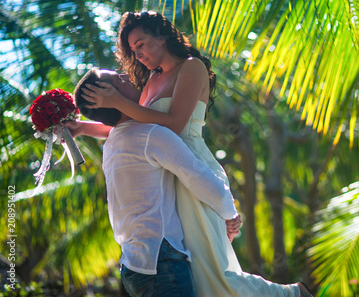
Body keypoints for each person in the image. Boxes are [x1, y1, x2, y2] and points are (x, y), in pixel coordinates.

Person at [81, 11, 313, 297]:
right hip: (167, 175)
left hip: (192, 168)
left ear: (161, 36)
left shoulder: (191, 68)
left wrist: (116, 100)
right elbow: (134, 126)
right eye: (133, 49)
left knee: (214, 274)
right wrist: (81, 127)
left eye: (141, 44)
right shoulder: (153, 79)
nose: (137, 54)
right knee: (200, 281)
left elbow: (175, 123)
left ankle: (293, 294)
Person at [72, 68, 241, 297]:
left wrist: (83, 126)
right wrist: (230, 214)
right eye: (116, 79)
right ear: (109, 96)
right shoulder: (150, 134)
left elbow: (118, 124)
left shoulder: (113, 142)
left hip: (135, 265)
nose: (124, 74)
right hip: (161, 263)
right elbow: (199, 178)